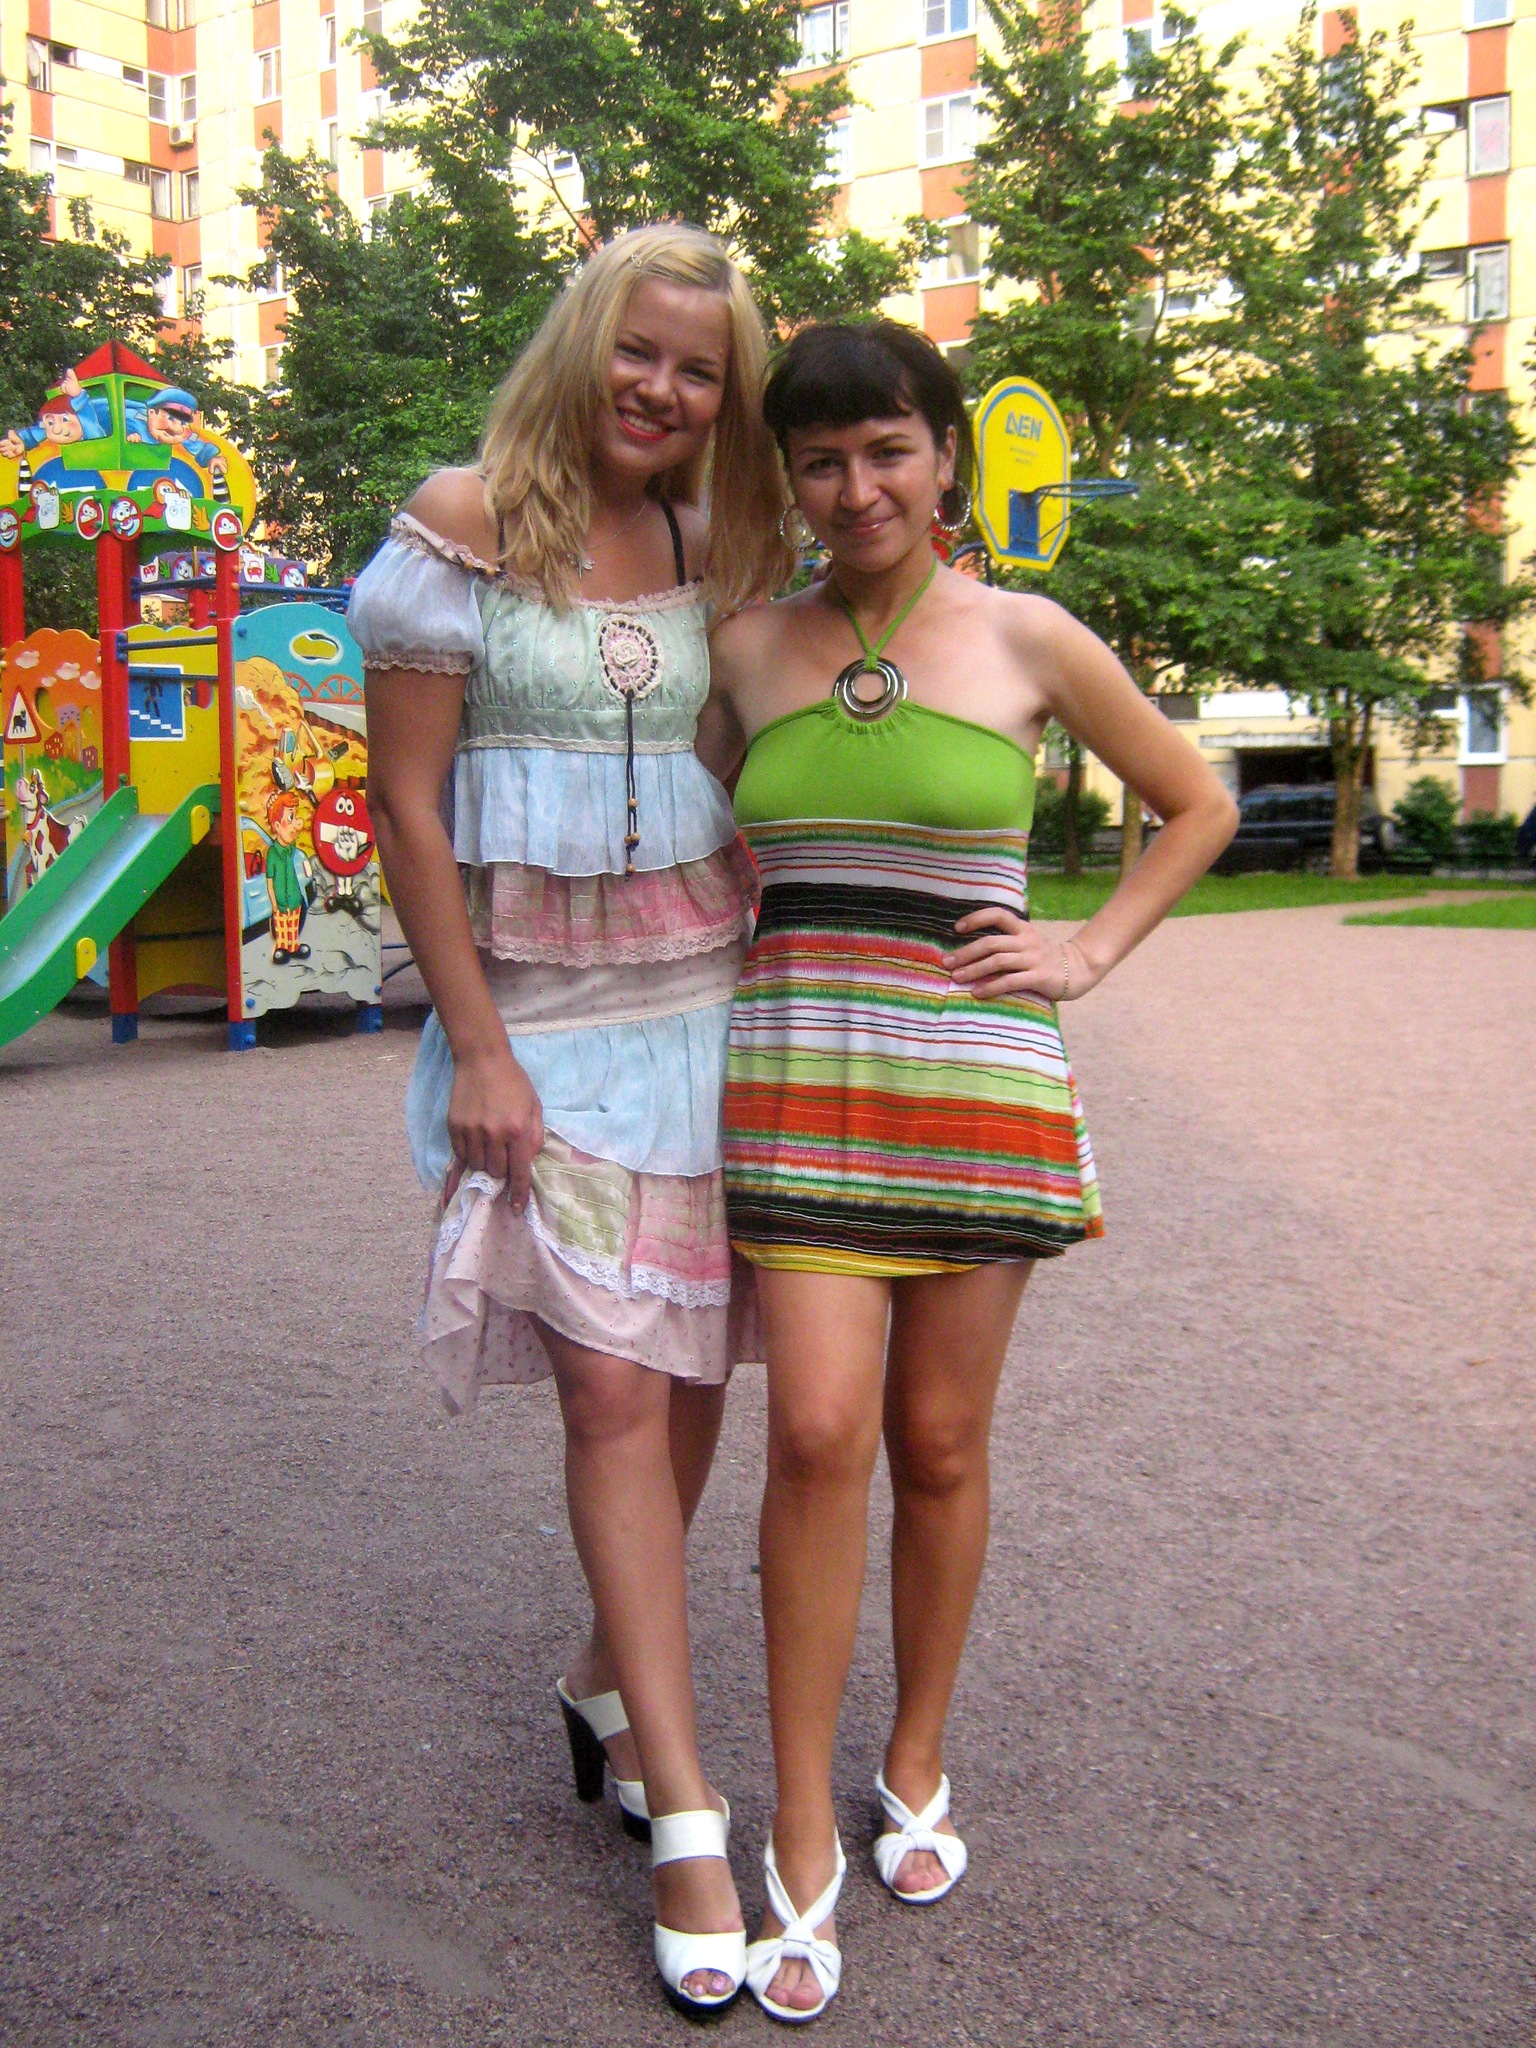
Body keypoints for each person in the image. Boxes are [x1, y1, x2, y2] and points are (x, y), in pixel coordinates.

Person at [700, 320, 1238, 2021]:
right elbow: (690, 855)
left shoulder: (1028, 635)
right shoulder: (746, 646)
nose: (855, 487)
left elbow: (1198, 803)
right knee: (815, 1434)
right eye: (821, 460)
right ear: (791, 478)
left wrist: (1087, 949)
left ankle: (917, 1753)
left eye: (887, 450)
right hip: (801, 1088)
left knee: (938, 1444)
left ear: (945, 457)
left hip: (975, 1087)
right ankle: (799, 1817)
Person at [348, 224, 790, 2013]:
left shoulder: (715, 541)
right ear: (583, 343)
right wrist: (479, 1052)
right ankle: (685, 1805)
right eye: (640, 351)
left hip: (709, 1007)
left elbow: (744, 767)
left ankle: (609, 1682)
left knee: (689, 1374)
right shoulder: (460, 527)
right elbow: (406, 804)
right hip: (541, 1026)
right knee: (610, 1388)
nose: (662, 390)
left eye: (700, 371)